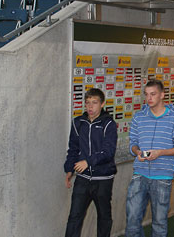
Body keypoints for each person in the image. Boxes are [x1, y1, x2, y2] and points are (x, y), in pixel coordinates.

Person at [125, 80, 174, 237]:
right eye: (146, 94)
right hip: (139, 173)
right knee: (132, 219)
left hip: (163, 176)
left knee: (159, 223)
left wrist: (160, 153)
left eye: (153, 94)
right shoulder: (139, 117)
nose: (149, 98)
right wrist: (137, 151)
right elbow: (133, 143)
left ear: (162, 95)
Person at [64, 88, 118, 237]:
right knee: (74, 218)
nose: (90, 107)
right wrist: (69, 169)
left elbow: (108, 153)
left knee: (104, 218)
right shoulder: (78, 123)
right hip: (82, 179)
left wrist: (88, 162)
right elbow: (73, 149)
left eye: (94, 103)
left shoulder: (109, 124)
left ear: (102, 104)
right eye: (87, 103)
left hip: (103, 180)